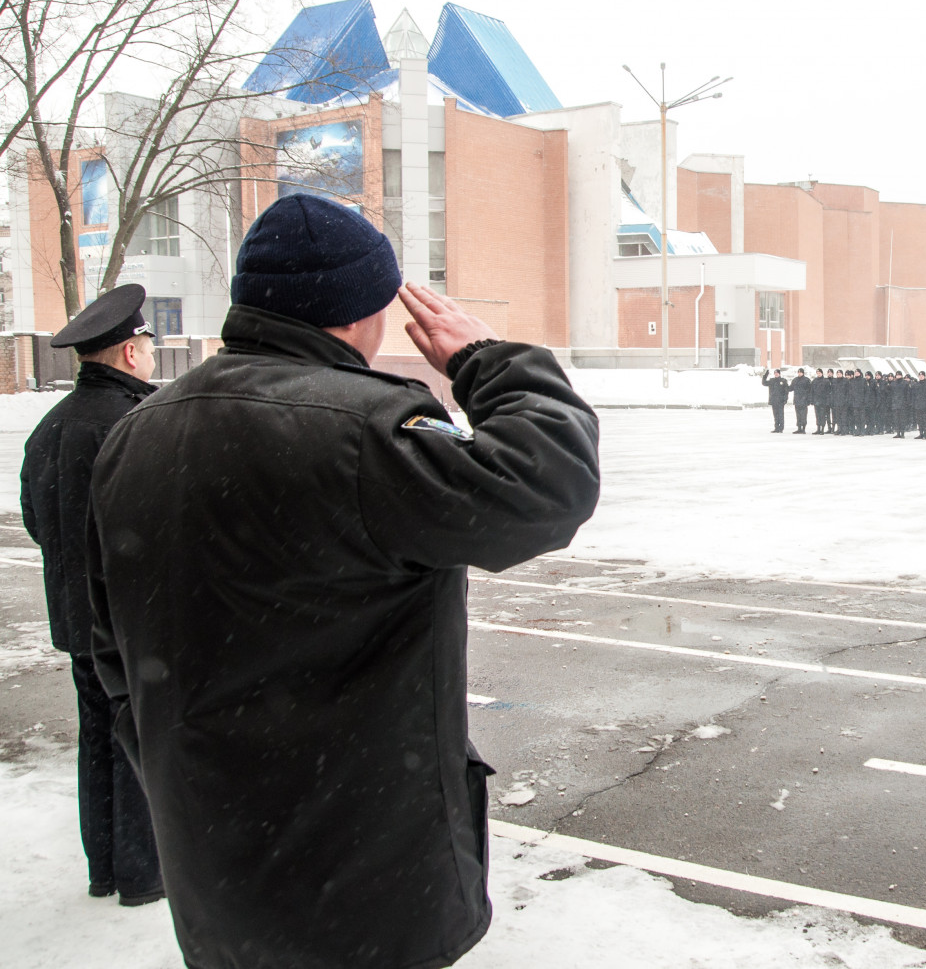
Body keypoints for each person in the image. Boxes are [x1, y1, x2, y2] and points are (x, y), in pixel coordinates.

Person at [86, 195, 602, 969]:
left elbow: (112, 645)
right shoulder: (364, 428)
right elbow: (548, 486)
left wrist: (172, 767)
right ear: (362, 310)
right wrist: (487, 361)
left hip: (214, 856)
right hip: (364, 867)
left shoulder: (138, 430)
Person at [20, 284, 164, 907]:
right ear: (131, 353)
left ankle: (102, 868)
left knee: (97, 735)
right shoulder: (138, 423)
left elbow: (35, 518)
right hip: (132, 618)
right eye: (147, 347)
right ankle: (140, 875)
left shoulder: (50, 427)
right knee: (138, 736)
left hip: (76, 616)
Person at [761, 366, 789, 432]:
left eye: (777, 373)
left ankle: (781, 428)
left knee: (781, 415)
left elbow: (786, 391)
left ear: (779, 374)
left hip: (780, 401)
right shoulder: (772, 380)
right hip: (774, 401)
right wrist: (765, 375)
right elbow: (764, 383)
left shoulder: (783, 381)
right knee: (775, 415)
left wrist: (785, 399)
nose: (776, 374)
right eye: (775, 373)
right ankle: (776, 428)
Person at [790, 367, 811, 434]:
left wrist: (808, 399)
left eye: (800, 372)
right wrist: (784, 386)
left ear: (803, 373)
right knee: (798, 415)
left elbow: (809, 390)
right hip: (797, 400)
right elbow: (791, 388)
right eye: (798, 372)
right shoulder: (795, 380)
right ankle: (799, 428)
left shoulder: (807, 380)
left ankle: (803, 428)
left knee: (803, 415)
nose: (799, 373)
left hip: (804, 400)